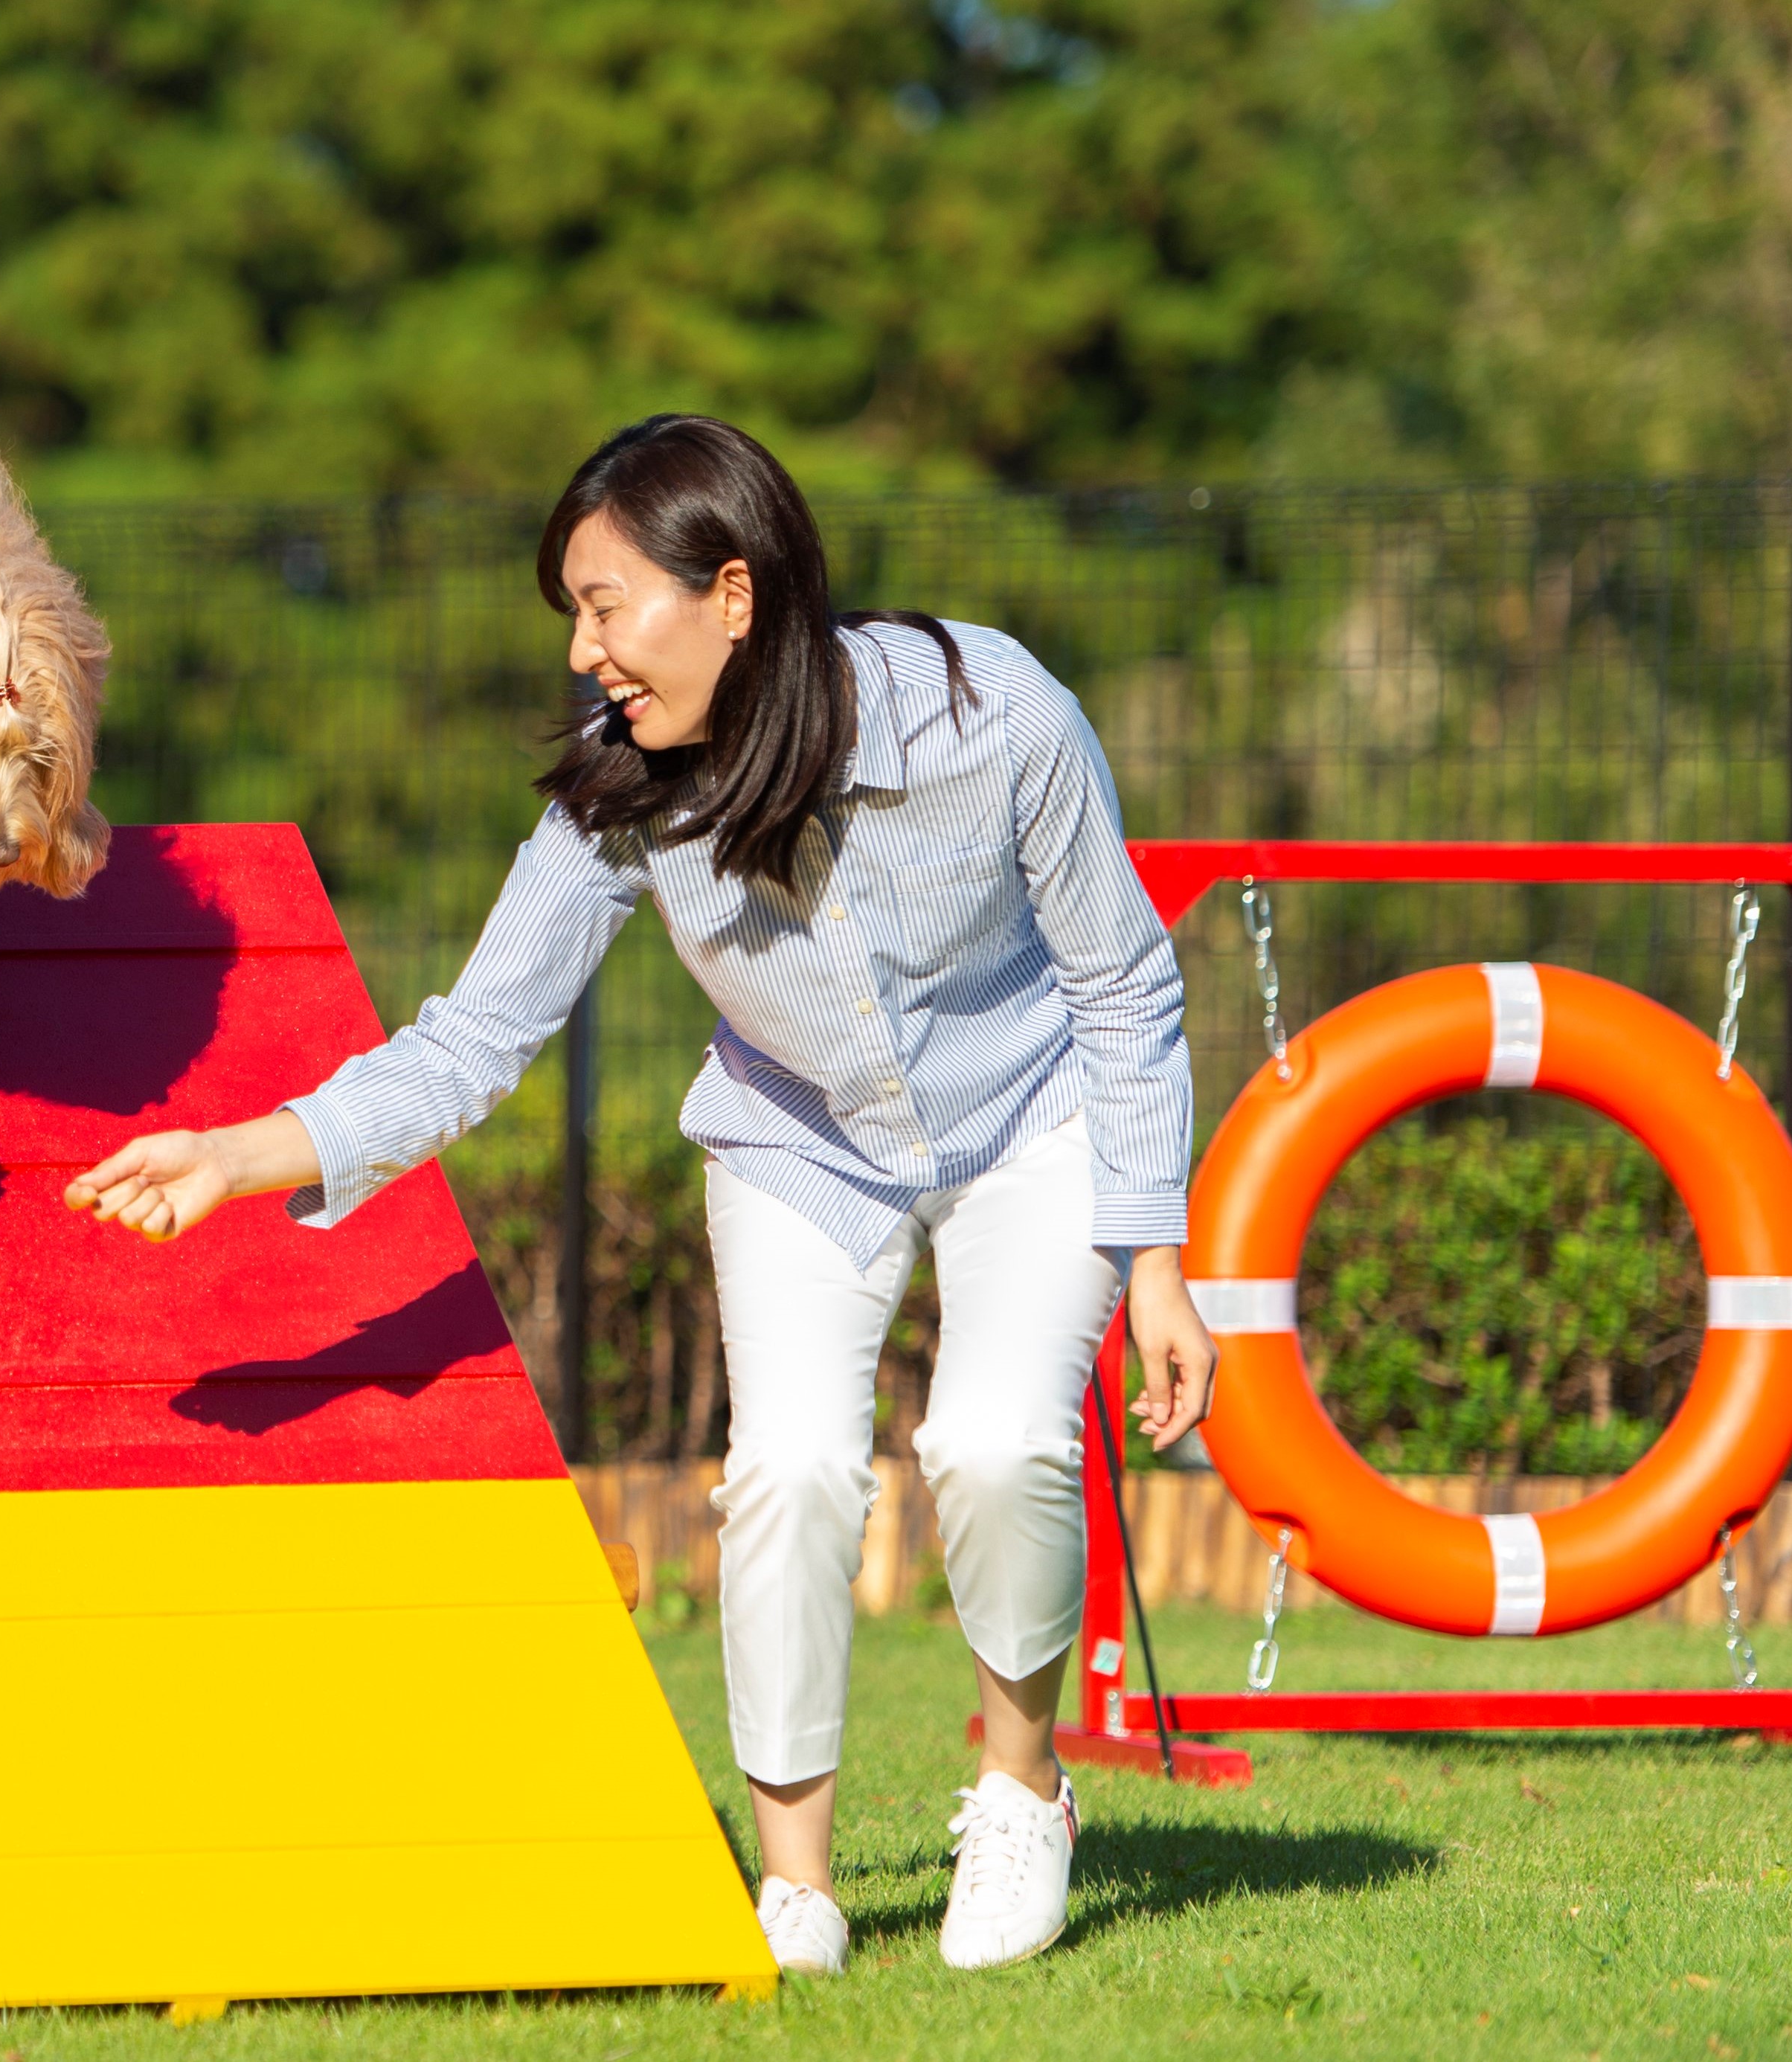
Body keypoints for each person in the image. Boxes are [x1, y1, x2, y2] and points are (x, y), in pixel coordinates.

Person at [61, 414, 1217, 1977]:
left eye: (603, 606)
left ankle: (1020, 1790)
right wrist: (238, 1153)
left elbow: (1122, 982)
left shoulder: (991, 711)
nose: (581, 653)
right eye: (571, 616)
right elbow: (472, 1040)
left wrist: (1149, 1256)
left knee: (996, 1442)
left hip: (1034, 1121)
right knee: (791, 1470)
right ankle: (795, 1884)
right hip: (793, 1138)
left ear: (730, 595)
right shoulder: (620, 798)